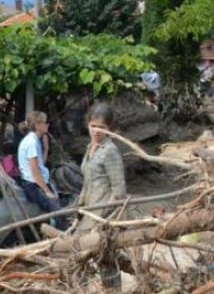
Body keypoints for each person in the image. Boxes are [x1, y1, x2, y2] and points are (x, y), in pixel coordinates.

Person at [79, 102, 127, 289]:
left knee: (106, 264)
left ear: (110, 129)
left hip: (105, 219)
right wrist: (80, 207)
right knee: (79, 259)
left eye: (102, 127)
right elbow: (87, 181)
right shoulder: (90, 147)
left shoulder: (110, 152)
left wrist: (101, 218)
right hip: (88, 215)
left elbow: (119, 192)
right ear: (88, 125)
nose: (97, 131)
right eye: (93, 126)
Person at [17, 111, 65, 230]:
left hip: (38, 181)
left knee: (57, 207)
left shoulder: (34, 141)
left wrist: (46, 148)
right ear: (38, 125)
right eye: (45, 122)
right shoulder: (31, 143)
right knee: (58, 213)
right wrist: (46, 190)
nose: (48, 125)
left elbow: (40, 164)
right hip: (34, 184)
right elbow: (34, 170)